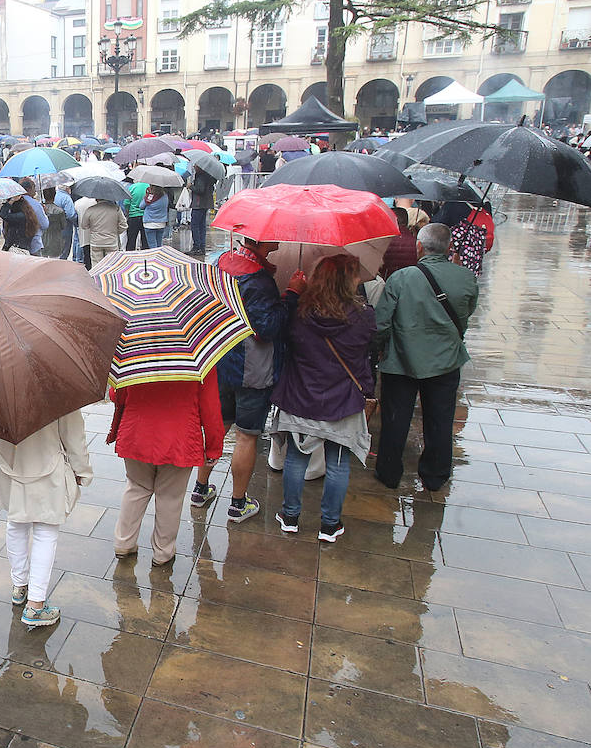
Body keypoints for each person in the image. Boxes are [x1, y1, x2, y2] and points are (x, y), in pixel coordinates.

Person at [191, 237, 304, 523]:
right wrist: (291, 295)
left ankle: (200, 489)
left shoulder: (221, 262)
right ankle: (238, 503)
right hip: (252, 369)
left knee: (218, 427)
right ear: (263, 240)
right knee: (246, 435)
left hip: (220, 359)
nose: (280, 236)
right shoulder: (259, 280)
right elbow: (267, 328)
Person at [269, 255, 376, 542]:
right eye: (355, 275)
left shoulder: (300, 313)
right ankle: (329, 525)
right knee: (338, 463)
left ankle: (290, 516)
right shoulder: (364, 316)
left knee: (295, 458)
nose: (359, 279)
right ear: (346, 281)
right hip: (342, 400)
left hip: (300, 396)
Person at [374, 224, 479, 492]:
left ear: (419, 247)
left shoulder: (401, 278)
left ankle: (389, 472)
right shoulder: (466, 278)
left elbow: (382, 323)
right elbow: (465, 317)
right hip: (446, 361)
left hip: (400, 361)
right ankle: (435, 475)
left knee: (396, 419)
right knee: (440, 420)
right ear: (448, 248)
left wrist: (379, 349)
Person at [0, 410, 92, 629]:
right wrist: (82, 469)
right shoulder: (58, 382)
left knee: (15, 522)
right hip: (45, 463)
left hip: (6, 460)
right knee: (46, 529)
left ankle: (19, 586)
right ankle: (35, 605)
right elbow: (73, 433)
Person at [107, 371, 225, 566]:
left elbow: (116, 394)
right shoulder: (198, 358)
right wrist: (213, 446)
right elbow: (210, 406)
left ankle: (123, 543)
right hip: (179, 435)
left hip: (137, 431)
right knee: (170, 496)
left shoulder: (135, 348)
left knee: (137, 487)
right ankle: (163, 553)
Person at [75, 195, 126, 266]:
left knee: (97, 266)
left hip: (96, 242)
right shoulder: (116, 209)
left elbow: (84, 226)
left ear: (96, 198)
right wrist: (115, 232)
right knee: (111, 265)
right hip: (111, 241)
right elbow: (124, 225)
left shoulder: (90, 210)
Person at [380, 206, 419, 279]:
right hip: (410, 281)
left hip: (388, 281)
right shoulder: (417, 243)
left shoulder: (383, 241)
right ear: (406, 221)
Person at [188, 166, 216, 256]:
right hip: (205, 204)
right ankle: (202, 246)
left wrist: (191, 186)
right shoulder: (209, 176)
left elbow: (200, 189)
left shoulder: (200, 176)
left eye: (195, 165)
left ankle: (197, 247)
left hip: (198, 204)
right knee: (202, 226)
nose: (194, 166)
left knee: (195, 225)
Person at [40, 187, 73, 259]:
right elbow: (63, 226)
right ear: (54, 195)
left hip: (42, 239)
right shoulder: (60, 211)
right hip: (56, 239)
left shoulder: (40, 209)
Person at [123, 181, 148, 251]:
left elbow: (126, 203)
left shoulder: (132, 187)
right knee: (145, 241)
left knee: (131, 240)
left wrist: (128, 214)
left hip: (133, 216)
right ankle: (146, 257)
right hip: (145, 216)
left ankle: (130, 257)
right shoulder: (149, 187)